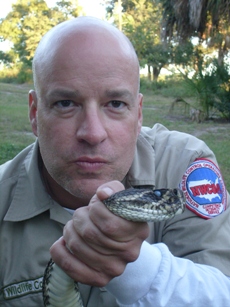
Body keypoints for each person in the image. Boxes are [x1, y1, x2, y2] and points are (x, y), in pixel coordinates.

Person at [0, 16, 230, 307]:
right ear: (34, 114)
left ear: (139, 114)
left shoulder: (186, 167)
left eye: (116, 104)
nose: (93, 134)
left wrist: (135, 266)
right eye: (65, 104)